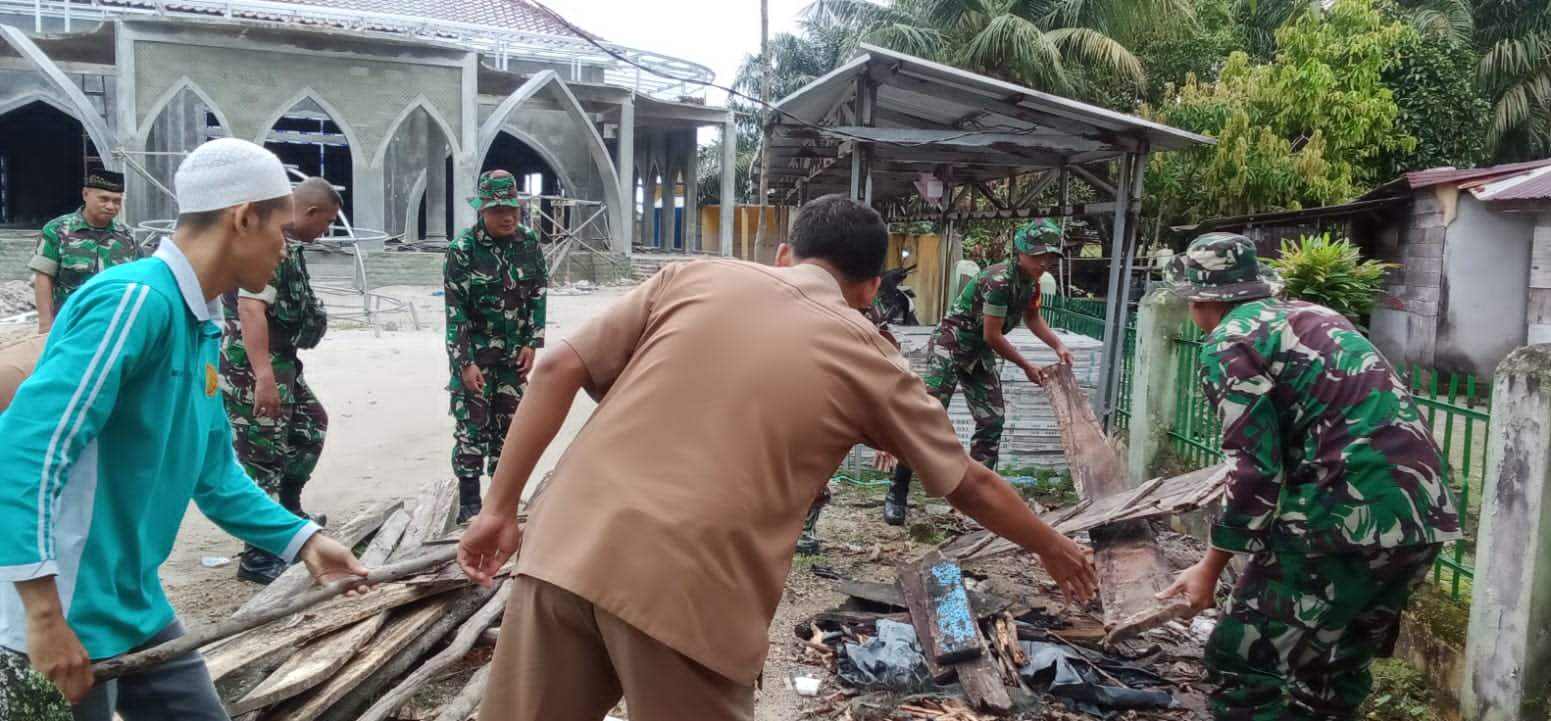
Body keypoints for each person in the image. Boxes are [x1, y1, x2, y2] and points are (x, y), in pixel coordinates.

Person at [455, 194, 1098, 721]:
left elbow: (560, 366)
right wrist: (1054, 546)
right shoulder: (870, 354)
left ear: (786, 254)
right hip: (688, 588)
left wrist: (498, 509)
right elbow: (971, 484)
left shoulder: (691, 276)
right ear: (872, 289)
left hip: (562, 549)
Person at [0, 137, 368, 721]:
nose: (286, 244)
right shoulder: (135, 302)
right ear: (244, 217)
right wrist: (42, 615)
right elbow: (26, 446)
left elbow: (214, 471)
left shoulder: (200, 319)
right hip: (63, 613)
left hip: (135, 603)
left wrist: (304, 541)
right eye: (281, 226)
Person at [1154, 233, 1463, 721]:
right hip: (1424, 516)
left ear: (1199, 299)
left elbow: (1254, 469)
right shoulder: (1318, 317)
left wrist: (1209, 568)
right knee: (1333, 669)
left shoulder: (1230, 342)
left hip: (1340, 513)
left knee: (1243, 662)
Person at [881, 219, 1073, 526]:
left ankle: (976, 501)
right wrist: (1026, 366)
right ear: (1021, 252)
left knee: (992, 420)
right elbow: (993, 335)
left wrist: (1058, 345)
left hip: (979, 353)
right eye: (1038, 255)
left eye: (1049, 256)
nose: (1044, 262)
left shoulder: (1030, 284)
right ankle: (897, 491)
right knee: (925, 416)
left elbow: (1033, 318)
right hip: (952, 344)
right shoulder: (998, 281)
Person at [218, 177, 341, 585]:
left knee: (310, 427)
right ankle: (258, 555)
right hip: (255, 363)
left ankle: (288, 515)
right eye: (326, 222)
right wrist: (264, 376)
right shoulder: (269, 242)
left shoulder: (291, 246)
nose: (326, 231)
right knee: (263, 455)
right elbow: (251, 310)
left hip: (282, 361)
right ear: (309, 212)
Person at [444, 170, 548, 525]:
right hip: (475, 355)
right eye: (499, 209)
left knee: (513, 428)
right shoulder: (462, 251)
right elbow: (454, 312)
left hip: (513, 356)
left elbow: (537, 293)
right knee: (472, 425)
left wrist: (533, 343)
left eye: (513, 209)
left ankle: (501, 502)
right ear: (482, 210)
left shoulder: (529, 243)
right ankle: (470, 504)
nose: (508, 217)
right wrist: (464, 364)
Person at [796, 291, 900, 556]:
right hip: (794, 386)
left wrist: (884, 434)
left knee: (816, 464)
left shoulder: (868, 314)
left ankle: (804, 530)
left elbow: (884, 373)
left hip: (837, 393)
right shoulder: (796, 303)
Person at [29, 168, 139, 334]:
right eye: (104, 199)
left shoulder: (126, 235)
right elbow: (43, 277)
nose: (111, 206)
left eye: (117, 201)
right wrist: (46, 326)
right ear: (85, 194)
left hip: (114, 322)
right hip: (71, 322)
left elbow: (137, 280)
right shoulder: (57, 230)